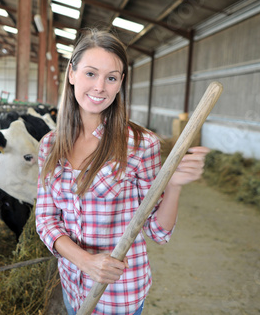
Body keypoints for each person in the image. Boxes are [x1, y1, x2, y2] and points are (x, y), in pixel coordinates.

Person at [35, 28, 209, 315]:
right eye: (91, 73)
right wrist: (84, 261)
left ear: (120, 84)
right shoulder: (49, 146)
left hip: (118, 296)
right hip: (72, 286)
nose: (100, 86)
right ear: (71, 74)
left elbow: (157, 230)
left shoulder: (141, 144)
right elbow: (45, 220)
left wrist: (174, 185)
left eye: (111, 78)